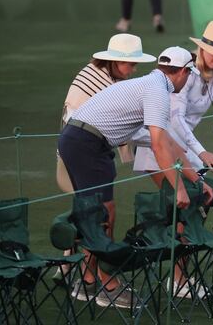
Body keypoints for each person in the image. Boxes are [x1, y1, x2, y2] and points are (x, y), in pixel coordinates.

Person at [59, 46, 213, 309]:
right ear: (184, 72)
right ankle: (96, 282)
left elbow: (170, 144)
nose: (188, 80)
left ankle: (88, 278)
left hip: (84, 141)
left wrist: (196, 179)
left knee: (98, 211)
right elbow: (159, 146)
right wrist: (179, 188)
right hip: (87, 143)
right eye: (189, 75)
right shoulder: (158, 91)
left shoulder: (152, 84)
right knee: (101, 213)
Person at [53, 33, 154, 286]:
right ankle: (94, 277)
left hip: (76, 151)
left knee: (91, 208)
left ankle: (71, 264)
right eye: (130, 64)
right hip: (83, 152)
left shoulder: (94, 73)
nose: (133, 70)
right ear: (115, 62)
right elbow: (126, 128)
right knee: (101, 211)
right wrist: (162, 140)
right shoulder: (106, 84)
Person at [134, 20, 213, 183]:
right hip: (160, 141)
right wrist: (202, 153)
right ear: (202, 48)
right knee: (181, 197)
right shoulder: (186, 70)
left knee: (198, 194)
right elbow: (176, 118)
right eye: (212, 51)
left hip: (185, 146)